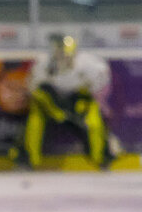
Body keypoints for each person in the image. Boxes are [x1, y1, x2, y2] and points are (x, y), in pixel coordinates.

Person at [13, 34, 112, 170]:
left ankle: (101, 158)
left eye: (66, 55)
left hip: (78, 101)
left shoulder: (90, 64)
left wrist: (80, 104)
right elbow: (36, 91)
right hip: (50, 103)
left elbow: (96, 89)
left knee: (94, 123)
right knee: (34, 121)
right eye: (59, 55)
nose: (63, 59)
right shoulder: (42, 64)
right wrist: (54, 108)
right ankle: (27, 159)